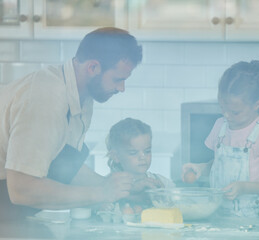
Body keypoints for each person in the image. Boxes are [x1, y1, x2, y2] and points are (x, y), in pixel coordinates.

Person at [0, 27, 156, 221]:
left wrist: (123, 190)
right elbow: (22, 189)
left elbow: (63, 164)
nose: (121, 88)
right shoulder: (45, 99)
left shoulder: (82, 97)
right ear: (92, 67)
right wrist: (101, 193)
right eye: (118, 79)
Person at [182, 60, 259, 218]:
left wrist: (244, 187)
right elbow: (218, 163)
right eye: (222, 108)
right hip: (218, 217)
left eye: (235, 112)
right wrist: (201, 169)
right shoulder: (220, 126)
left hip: (253, 223)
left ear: (256, 104)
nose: (226, 115)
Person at [105, 117, 175, 213]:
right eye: (133, 152)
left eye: (147, 151)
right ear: (116, 156)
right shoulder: (108, 185)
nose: (142, 157)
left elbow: (178, 206)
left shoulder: (161, 182)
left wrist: (163, 196)